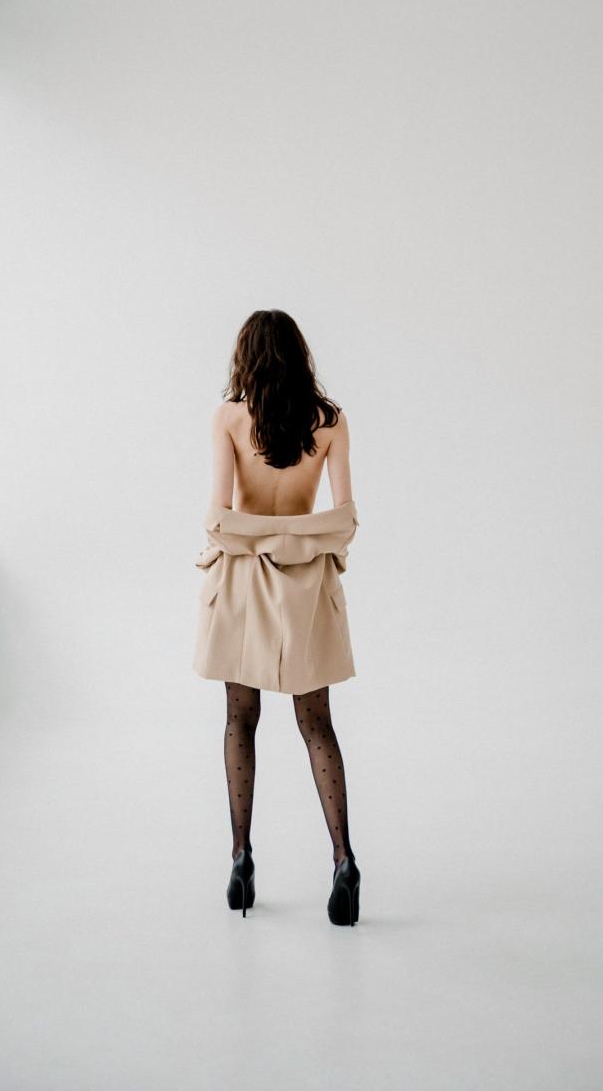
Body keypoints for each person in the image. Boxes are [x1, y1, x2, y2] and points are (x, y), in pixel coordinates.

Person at [193, 308, 361, 926]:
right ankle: (343, 859)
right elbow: (344, 518)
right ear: (298, 356)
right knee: (317, 724)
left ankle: (241, 858)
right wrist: (301, 537)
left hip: (243, 584)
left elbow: (219, 516)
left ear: (247, 357)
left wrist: (251, 535)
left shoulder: (229, 418)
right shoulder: (329, 421)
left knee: (241, 719)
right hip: (307, 586)